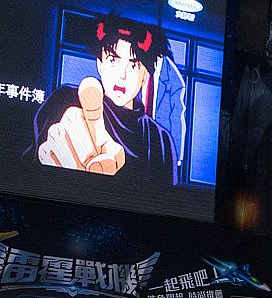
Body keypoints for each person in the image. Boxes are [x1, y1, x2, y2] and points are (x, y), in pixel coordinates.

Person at [31, 12, 177, 184]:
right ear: (99, 64)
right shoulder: (68, 100)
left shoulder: (160, 140)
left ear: (145, 75)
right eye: (113, 60)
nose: (122, 75)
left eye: (133, 65)